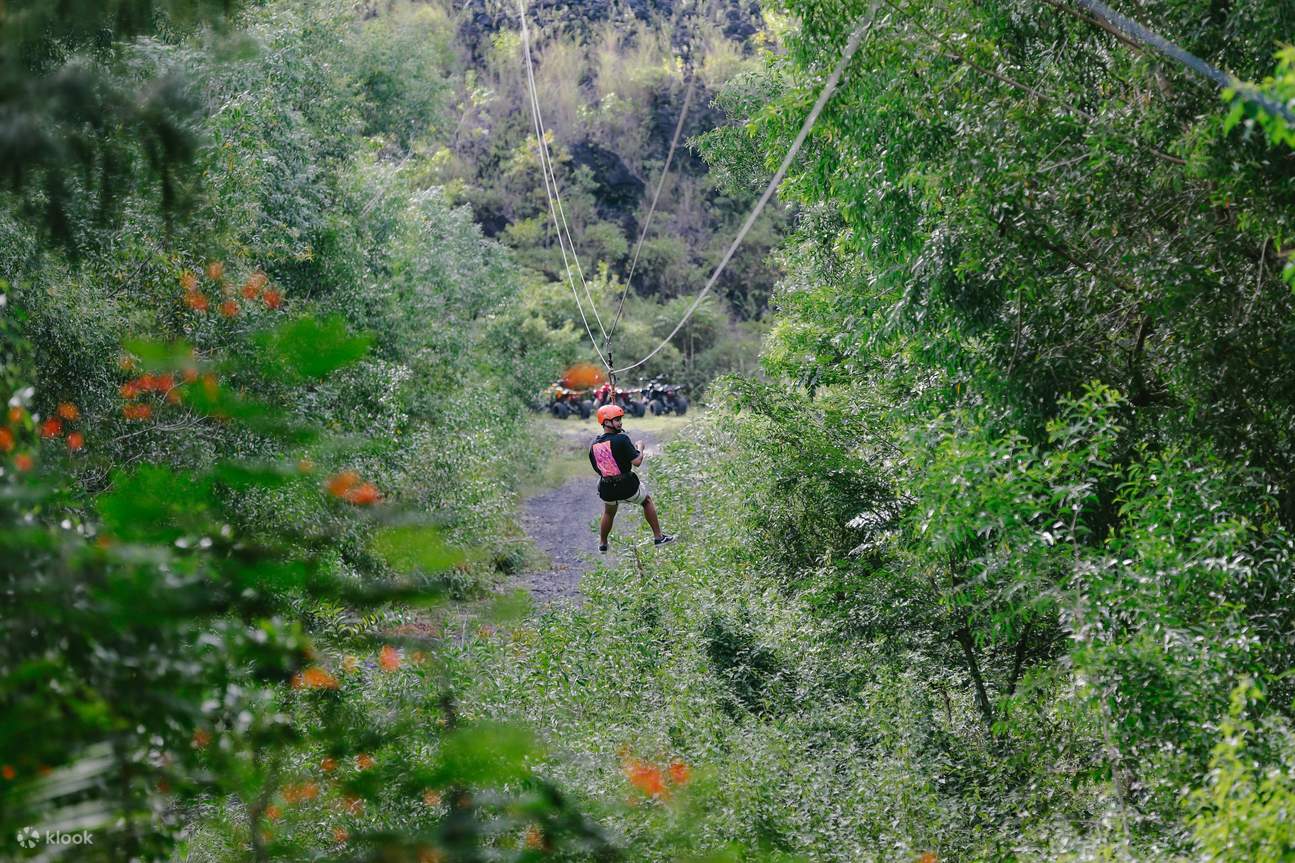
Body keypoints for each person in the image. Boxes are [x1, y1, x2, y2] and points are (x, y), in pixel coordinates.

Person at [589, 404, 674, 552]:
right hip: (627, 486)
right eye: (616, 420)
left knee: (609, 511)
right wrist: (640, 447)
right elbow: (637, 462)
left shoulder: (594, 445)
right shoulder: (622, 439)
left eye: (620, 419)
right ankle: (659, 537)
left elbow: (597, 469)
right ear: (607, 422)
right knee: (646, 501)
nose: (620, 423)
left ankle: (603, 544)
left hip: (607, 488)